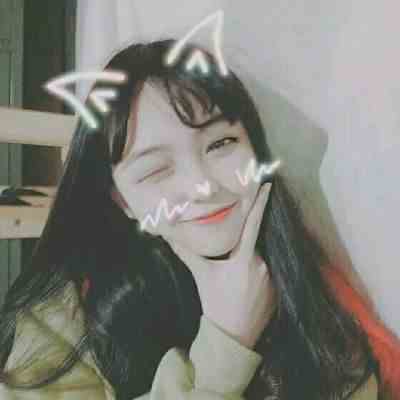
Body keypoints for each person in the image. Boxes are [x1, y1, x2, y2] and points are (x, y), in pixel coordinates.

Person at [0, 39, 393, 400]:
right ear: (121, 201)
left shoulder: (308, 280)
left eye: (221, 144)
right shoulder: (62, 321)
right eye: (156, 170)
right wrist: (226, 347)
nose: (202, 186)